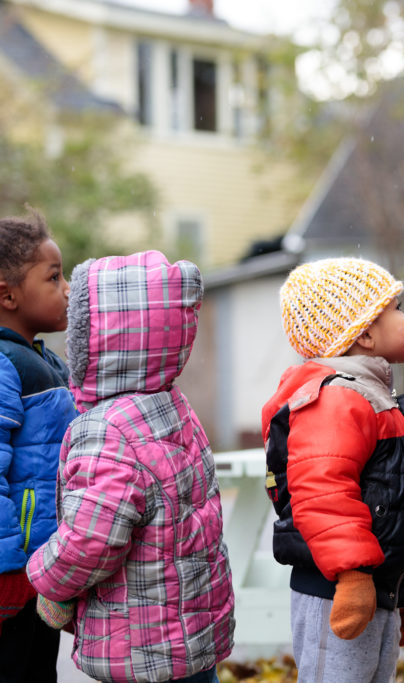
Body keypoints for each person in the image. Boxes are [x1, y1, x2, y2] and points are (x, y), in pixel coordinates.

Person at [26, 250, 234, 683]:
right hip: (191, 634)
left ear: (97, 342)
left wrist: (46, 576)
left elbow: (92, 541)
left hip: (142, 646)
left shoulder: (106, 430)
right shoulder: (172, 404)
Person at [262, 257, 404, 683]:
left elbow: (389, 500)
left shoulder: (373, 396)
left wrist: (398, 591)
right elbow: (322, 491)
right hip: (337, 588)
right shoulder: (338, 398)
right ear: (366, 334)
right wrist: (354, 576)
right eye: (397, 308)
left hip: (371, 587)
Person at [0, 210, 77, 683]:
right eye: (53, 277)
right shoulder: (5, 365)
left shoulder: (48, 362)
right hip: (13, 577)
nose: (67, 288)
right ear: (7, 294)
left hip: (43, 571)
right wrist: (7, 568)